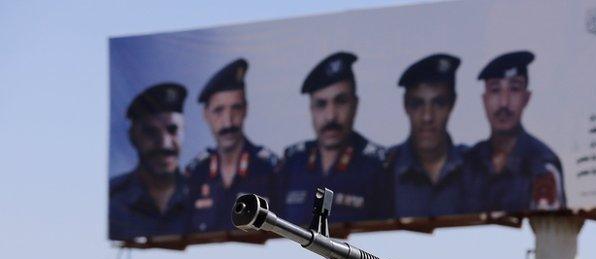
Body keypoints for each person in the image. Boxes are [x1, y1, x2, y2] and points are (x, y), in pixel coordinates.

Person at [276, 52, 389, 226]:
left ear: (355, 105)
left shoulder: (378, 168)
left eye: (341, 101)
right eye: (321, 104)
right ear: (311, 109)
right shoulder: (293, 164)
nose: (330, 116)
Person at [185, 58, 279, 233]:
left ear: (246, 110)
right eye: (218, 110)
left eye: (235, 108)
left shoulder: (269, 169)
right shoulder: (196, 174)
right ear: (206, 114)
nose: (228, 122)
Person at [465, 51, 564, 213]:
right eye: (495, 90)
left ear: (526, 97)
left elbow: (551, 225)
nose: (504, 102)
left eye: (514, 89)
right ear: (484, 99)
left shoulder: (542, 164)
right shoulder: (470, 162)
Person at [386, 53, 470, 218]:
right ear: (405, 105)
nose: (427, 117)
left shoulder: (474, 168)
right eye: (417, 104)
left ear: (452, 103)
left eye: (438, 103)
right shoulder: (384, 171)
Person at [109, 83, 191, 241]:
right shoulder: (111, 199)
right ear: (133, 137)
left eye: (173, 130)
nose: (164, 144)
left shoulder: (205, 195)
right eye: (151, 132)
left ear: (184, 132)